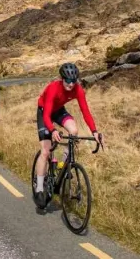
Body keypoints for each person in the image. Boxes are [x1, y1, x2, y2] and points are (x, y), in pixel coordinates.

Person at [34, 63, 104, 204]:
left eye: (74, 81)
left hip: (59, 111)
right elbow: (47, 115)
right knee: (46, 151)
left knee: (74, 131)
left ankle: (63, 164)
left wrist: (94, 131)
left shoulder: (78, 90)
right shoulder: (54, 88)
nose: (71, 84)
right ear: (62, 78)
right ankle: (40, 187)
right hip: (44, 112)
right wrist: (53, 130)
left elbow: (85, 112)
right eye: (67, 81)